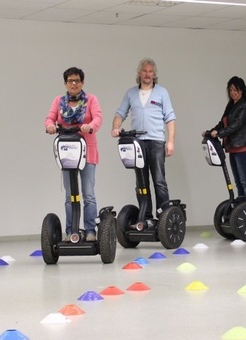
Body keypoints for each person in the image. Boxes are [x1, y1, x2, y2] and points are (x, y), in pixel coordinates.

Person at [111, 58, 176, 223]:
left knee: (159, 180)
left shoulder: (162, 92)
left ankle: (164, 217)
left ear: (154, 75)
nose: (147, 74)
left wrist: (170, 141)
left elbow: (170, 118)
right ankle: (146, 217)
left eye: (150, 71)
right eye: (144, 71)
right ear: (139, 73)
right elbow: (120, 113)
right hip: (137, 143)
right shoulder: (131, 93)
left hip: (156, 142)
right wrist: (115, 127)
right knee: (141, 181)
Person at [45, 67, 102, 242]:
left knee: (88, 194)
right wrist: (50, 126)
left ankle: (91, 230)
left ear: (82, 82)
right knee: (70, 196)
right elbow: (50, 118)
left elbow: (98, 118)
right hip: (68, 153)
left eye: (77, 80)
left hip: (87, 152)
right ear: (65, 83)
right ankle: (71, 231)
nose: (74, 84)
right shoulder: (59, 101)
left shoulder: (91, 100)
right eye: (70, 81)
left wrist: (89, 126)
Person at [203, 76, 246, 197]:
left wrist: (219, 133)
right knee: (238, 183)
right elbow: (223, 123)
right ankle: (241, 209)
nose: (232, 93)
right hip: (233, 148)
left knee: (245, 182)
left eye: (235, 90)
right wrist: (211, 131)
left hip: (243, 147)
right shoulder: (231, 105)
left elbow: (237, 125)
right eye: (230, 90)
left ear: (241, 90)